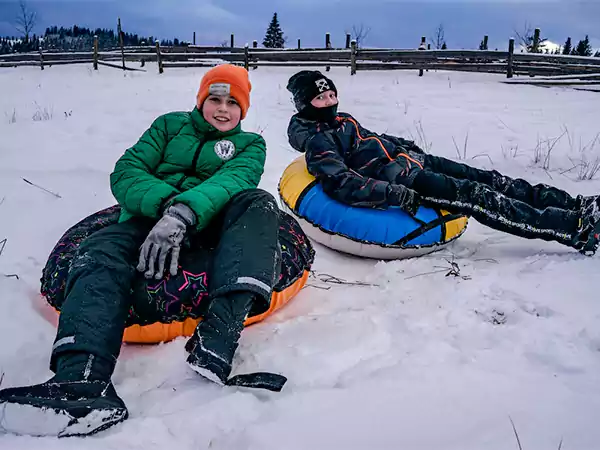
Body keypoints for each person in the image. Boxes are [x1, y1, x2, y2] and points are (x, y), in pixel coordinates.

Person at [0, 64, 284, 437]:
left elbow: (234, 180)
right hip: (146, 217)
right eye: (214, 98)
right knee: (97, 251)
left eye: (233, 102)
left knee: (259, 202)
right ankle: (81, 383)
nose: (222, 109)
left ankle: (217, 339)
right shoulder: (168, 126)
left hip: (210, 224)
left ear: (243, 110)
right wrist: (166, 207)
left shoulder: (250, 145)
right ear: (201, 100)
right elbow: (127, 171)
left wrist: (184, 214)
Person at [285, 70, 600, 255]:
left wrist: (402, 145)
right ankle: (574, 229)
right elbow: (342, 183)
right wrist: (393, 193)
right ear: (305, 105)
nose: (330, 102)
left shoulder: (343, 120)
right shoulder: (318, 142)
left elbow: (370, 139)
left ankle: (575, 204)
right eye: (320, 99)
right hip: (407, 181)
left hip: (414, 161)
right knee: (479, 197)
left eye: (331, 96)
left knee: (491, 179)